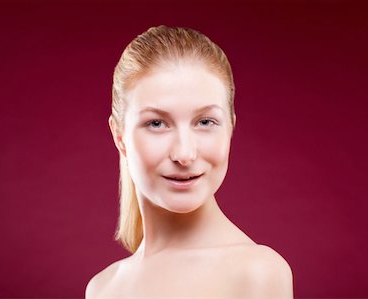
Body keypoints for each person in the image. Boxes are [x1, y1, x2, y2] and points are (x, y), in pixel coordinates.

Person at [85, 25, 293, 298]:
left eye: (205, 122)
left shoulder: (257, 273)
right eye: (157, 123)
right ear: (119, 135)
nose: (184, 154)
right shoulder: (102, 288)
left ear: (230, 127)